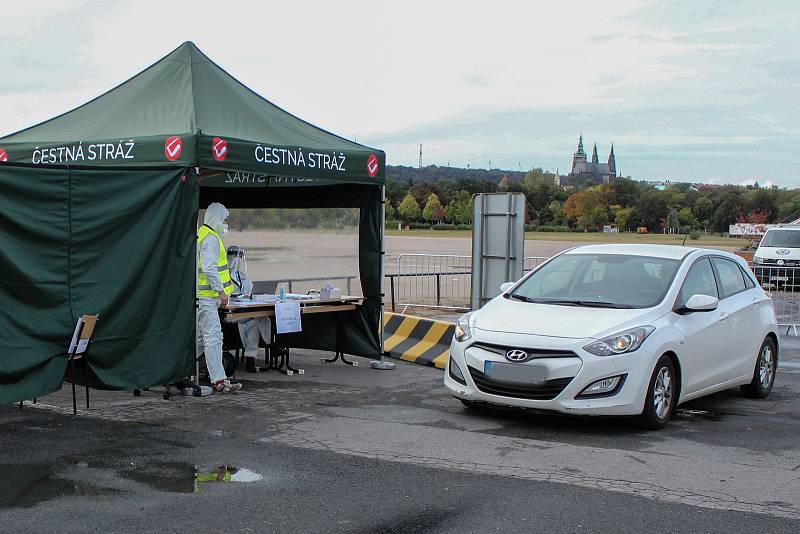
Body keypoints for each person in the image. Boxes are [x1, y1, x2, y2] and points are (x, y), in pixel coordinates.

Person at [196, 203, 242, 393]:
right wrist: (221, 291)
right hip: (207, 297)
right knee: (213, 338)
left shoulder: (201, 234)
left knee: (199, 340)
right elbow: (208, 269)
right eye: (224, 219)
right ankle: (219, 380)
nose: (225, 223)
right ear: (216, 218)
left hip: (201, 297)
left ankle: (179, 372)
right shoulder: (212, 239)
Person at [227, 245, 271, 372]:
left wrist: (249, 296)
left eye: (241, 257)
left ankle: (251, 357)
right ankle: (266, 344)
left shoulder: (242, 276)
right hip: (231, 313)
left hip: (244, 311)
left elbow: (250, 290)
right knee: (259, 317)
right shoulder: (224, 275)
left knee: (253, 319)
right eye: (236, 256)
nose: (239, 259)